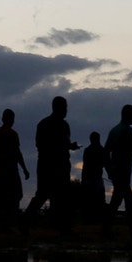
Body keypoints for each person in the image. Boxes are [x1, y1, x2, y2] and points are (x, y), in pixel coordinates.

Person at [24, 96, 79, 230]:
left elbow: (41, 144)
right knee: (52, 195)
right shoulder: (59, 125)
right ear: (59, 108)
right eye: (65, 107)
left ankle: (57, 225)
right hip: (53, 165)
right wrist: (65, 147)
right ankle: (28, 221)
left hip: (48, 164)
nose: (66, 110)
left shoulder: (45, 124)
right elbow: (45, 145)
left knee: (54, 196)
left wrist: (67, 146)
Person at [0, 108, 29, 227]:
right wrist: (24, 169)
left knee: (1, 196)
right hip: (11, 169)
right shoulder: (12, 134)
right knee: (16, 195)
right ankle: (11, 221)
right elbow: (17, 153)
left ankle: (3, 222)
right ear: (12, 119)